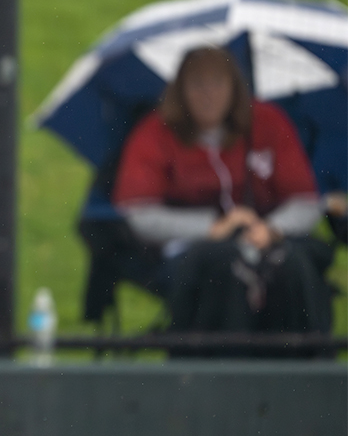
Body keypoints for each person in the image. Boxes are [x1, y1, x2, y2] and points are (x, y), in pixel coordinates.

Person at [112, 46, 334, 352]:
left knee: (291, 266)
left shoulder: (268, 123)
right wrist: (213, 228)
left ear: (234, 88)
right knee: (223, 269)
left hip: (270, 240)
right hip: (192, 249)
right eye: (197, 84)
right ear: (181, 90)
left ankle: (303, 372)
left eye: (217, 83)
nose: (208, 94)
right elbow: (139, 213)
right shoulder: (156, 132)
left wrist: (271, 229)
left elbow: (305, 200)